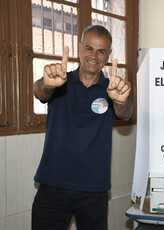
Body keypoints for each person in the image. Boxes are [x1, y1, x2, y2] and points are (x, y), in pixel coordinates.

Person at [31, 25, 133, 230]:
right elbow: (40, 92)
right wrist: (48, 85)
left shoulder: (112, 88)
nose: (94, 55)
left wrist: (122, 101)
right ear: (79, 48)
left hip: (94, 191)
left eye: (101, 51)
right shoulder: (60, 80)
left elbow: (126, 112)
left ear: (108, 55)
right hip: (53, 185)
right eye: (89, 48)